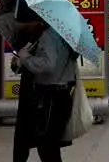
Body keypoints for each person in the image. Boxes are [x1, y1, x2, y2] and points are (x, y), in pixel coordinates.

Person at [12, 19, 78, 162]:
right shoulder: (67, 35)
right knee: (50, 145)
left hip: (50, 95)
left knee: (47, 145)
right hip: (63, 93)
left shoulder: (48, 35)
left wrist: (26, 59)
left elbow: (48, 65)